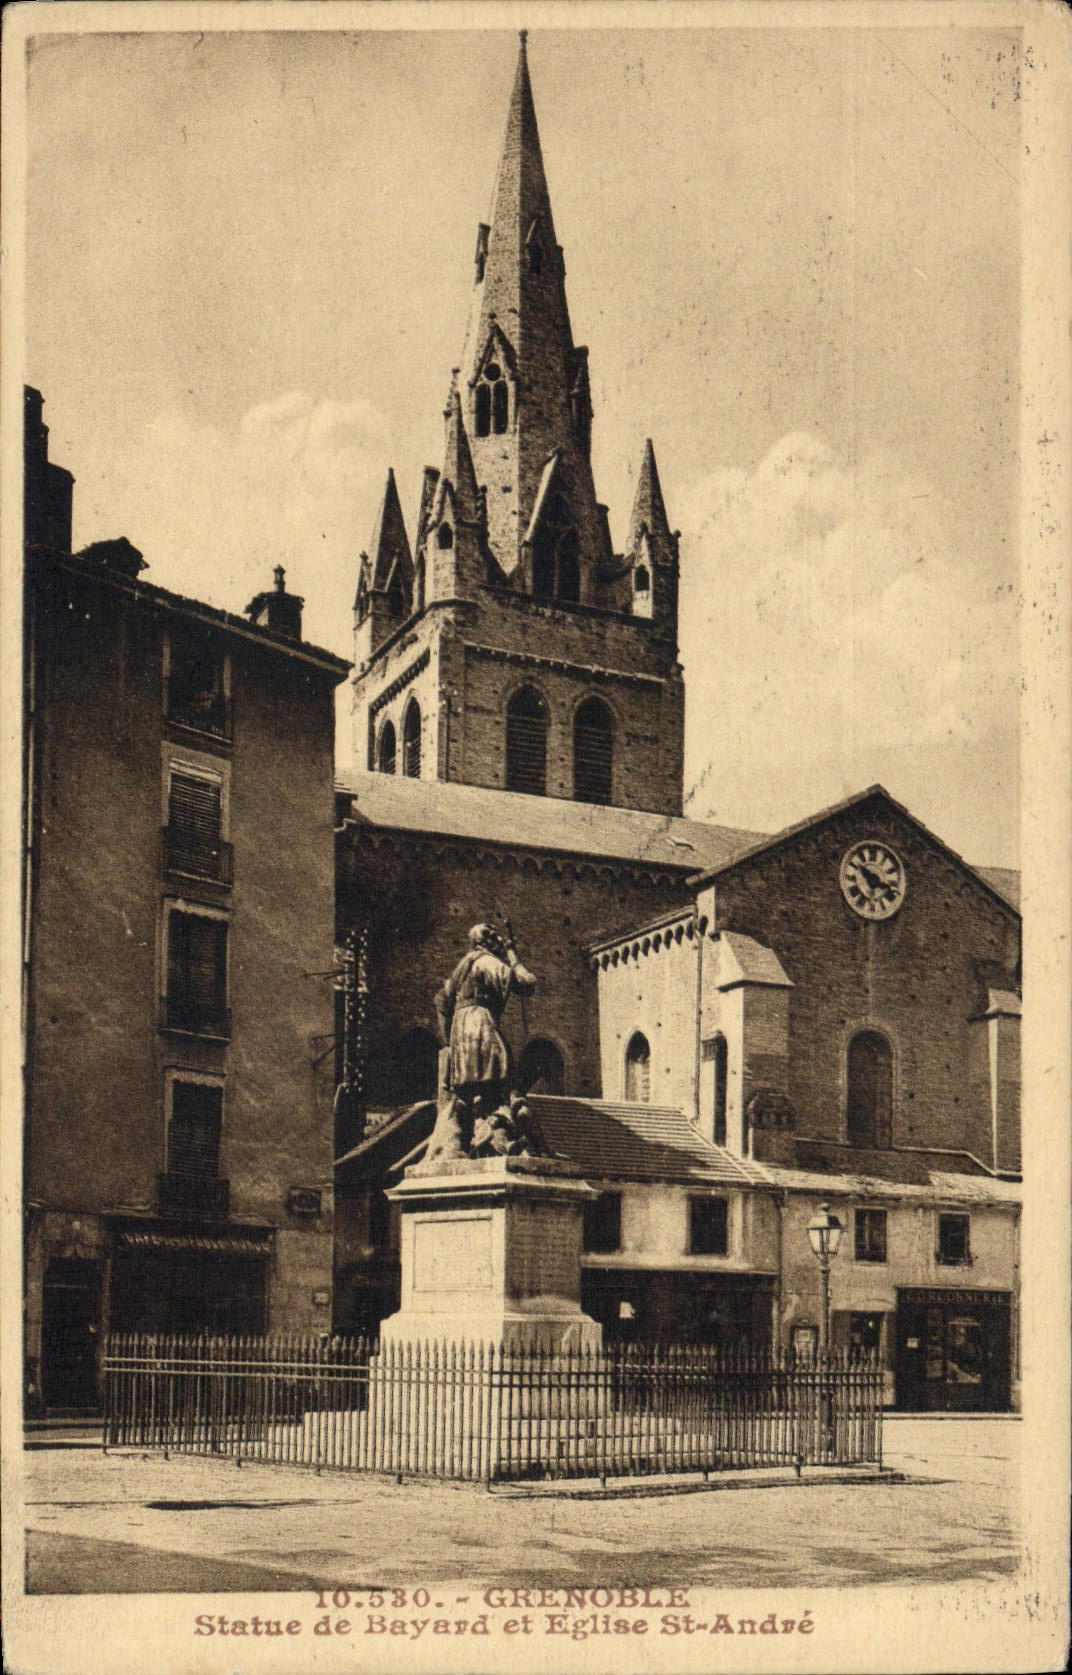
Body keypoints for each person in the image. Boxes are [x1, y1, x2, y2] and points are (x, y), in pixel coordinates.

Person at [434, 922, 536, 1115]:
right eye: (492, 935)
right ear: (482, 942)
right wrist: (512, 953)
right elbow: (526, 984)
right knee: (504, 1079)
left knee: (473, 1090)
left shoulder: (461, 968)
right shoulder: (486, 961)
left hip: (461, 1034)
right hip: (481, 1026)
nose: (498, 938)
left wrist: (449, 1041)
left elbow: (440, 1001)